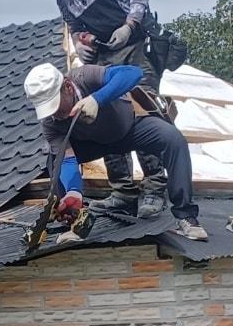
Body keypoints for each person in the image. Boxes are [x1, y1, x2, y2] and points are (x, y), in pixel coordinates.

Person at [21, 0, 169, 217]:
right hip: (104, 58)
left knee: (143, 111)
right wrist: (80, 44)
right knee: (104, 119)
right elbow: (75, 27)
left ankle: (154, 187)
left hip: (135, 47)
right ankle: (124, 191)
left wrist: (130, 24)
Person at [24, 60, 207, 241]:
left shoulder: (85, 76)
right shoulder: (50, 123)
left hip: (129, 128)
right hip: (94, 144)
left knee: (173, 139)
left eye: (55, 105)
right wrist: (73, 191)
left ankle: (186, 216)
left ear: (68, 87)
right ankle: (73, 220)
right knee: (54, 162)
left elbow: (133, 73)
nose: (54, 114)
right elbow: (68, 160)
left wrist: (97, 99)